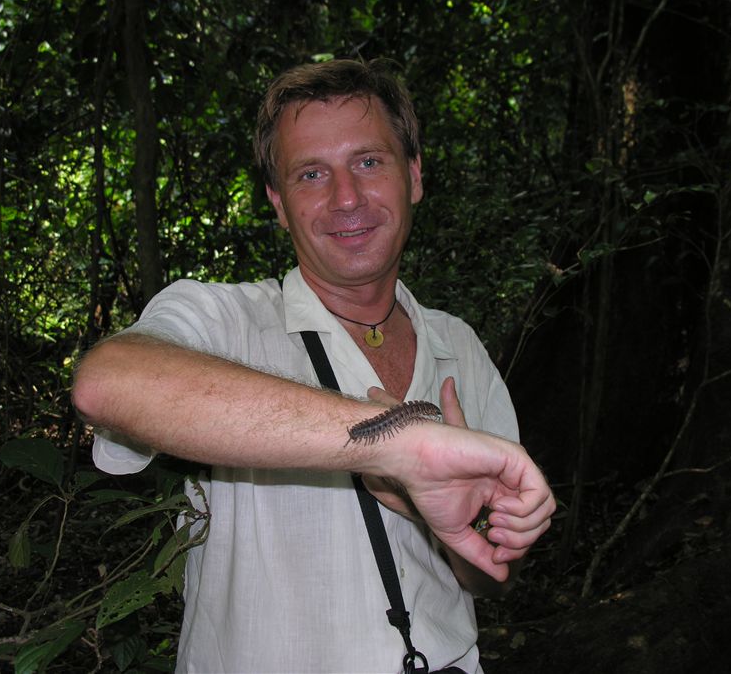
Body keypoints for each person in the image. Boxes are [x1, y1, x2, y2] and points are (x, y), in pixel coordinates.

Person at [73, 58, 555, 673]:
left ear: (413, 176)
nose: (346, 197)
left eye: (369, 162)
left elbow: (491, 578)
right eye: (310, 174)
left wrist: (457, 523)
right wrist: (398, 446)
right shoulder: (225, 321)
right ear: (278, 204)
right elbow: (107, 382)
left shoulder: (458, 347)